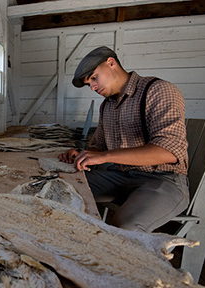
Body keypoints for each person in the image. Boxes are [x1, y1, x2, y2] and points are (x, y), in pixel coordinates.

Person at [59, 46, 189, 233]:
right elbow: (99, 147)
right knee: (56, 185)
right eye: (89, 84)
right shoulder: (107, 106)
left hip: (162, 180)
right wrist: (81, 155)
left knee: (124, 228)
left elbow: (168, 151)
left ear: (111, 63)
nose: (93, 88)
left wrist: (105, 156)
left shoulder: (159, 90)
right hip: (119, 176)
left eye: (94, 78)